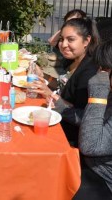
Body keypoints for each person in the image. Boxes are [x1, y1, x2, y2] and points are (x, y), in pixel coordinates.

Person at [32, 17, 99, 146]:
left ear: (87, 41)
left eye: (71, 39)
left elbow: (82, 114)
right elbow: (63, 84)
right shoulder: (74, 60)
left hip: (69, 136)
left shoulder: (89, 71)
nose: (63, 44)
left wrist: (50, 95)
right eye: (62, 39)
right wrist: (44, 76)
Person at [74, 40, 112, 199]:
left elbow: (90, 145)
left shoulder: (102, 87)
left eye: (104, 69)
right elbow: (95, 121)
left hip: (104, 179)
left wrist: (97, 93)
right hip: (91, 166)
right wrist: (60, 107)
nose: (99, 73)